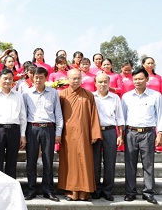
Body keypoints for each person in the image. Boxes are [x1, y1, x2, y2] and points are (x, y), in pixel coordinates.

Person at [58, 68, 102, 201]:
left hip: (84, 135)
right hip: (68, 136)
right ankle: (71, 191)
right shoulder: (62, 95)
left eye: (78, 78)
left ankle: (84, 192)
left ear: (82, 79)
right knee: (70, 163)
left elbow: (94, 114)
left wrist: (94, 133)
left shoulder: (88, 95)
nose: (76, 80)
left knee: (85, 162)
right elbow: (58, 116)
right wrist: (58, 134)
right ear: (68, 79)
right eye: (73, 78)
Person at [22, 67, 63, 202]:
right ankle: (31, 190)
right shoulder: (26, 94)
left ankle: (48, 190)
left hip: (49, 129)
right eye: (36, 77)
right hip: (32, 128)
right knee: (31, 161)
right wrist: (23, 133)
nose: (38, 80)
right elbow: (23, 115)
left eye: (41, 77)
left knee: (48, 160)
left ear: (46, 78)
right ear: (32, 78)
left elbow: (58, 114)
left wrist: (58, 132)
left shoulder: (53, 93)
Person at [122, 68, 162, 204]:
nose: (137, 81)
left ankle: (148, 193)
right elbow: (123, 117)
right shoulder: (126, 97)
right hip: (130, 133)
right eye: (135, 79)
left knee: (148, 164)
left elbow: (160, 116)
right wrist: (122, 134)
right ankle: (130, 192)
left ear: (147, 79)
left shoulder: (156, 96)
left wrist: (160, 133)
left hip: (148, 133)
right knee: (130, 164)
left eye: (140, 78)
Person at [0, 68, 27, 179]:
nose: (7, 81)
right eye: (5, 79)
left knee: (12, 160)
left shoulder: (18, 95)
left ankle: (11, 187)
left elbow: (23, 116)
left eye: (10, 79)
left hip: (14, 130)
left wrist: (22, 135)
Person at [92, 72, 124, 201]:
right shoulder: (91, 97)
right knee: (95, 162)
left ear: (109, 83)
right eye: (100, 82)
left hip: (110, 131)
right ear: (95, 83)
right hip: (95, 131)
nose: (102, 84)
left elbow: (120, 117)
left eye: (105, 81)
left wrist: (120, 134)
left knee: (110, 162)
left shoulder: (115, 98)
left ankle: (107, 190)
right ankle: (96, 189)